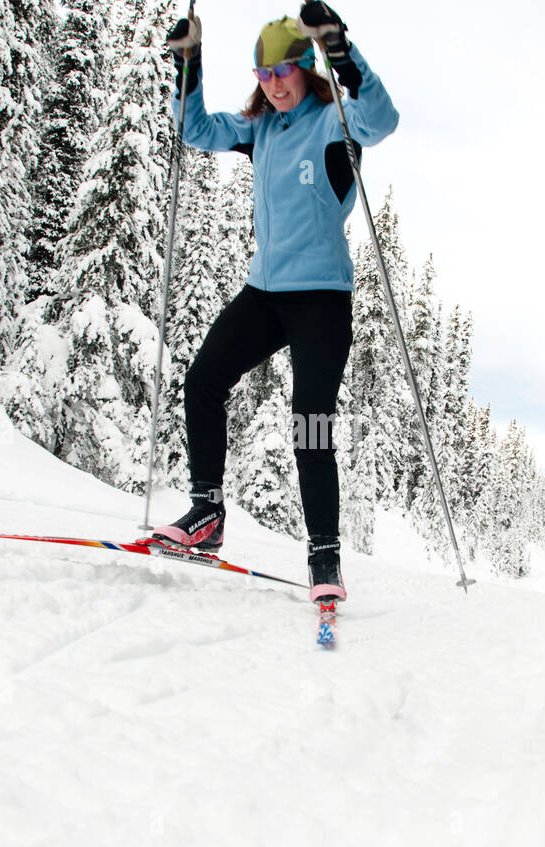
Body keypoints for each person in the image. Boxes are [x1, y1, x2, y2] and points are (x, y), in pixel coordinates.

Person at [152, 3, 398, 602]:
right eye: (264, 74)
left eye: (285, 70)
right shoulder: (260, 127)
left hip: (322, 298)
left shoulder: (334, 119)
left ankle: (324, 556)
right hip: (265, 292)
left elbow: (383, 119)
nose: (275, 83)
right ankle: (206, 513)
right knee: (204, 379)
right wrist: (191, 62)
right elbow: (197, 131)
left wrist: (340, 47)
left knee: (310, 422)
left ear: (305, 67)